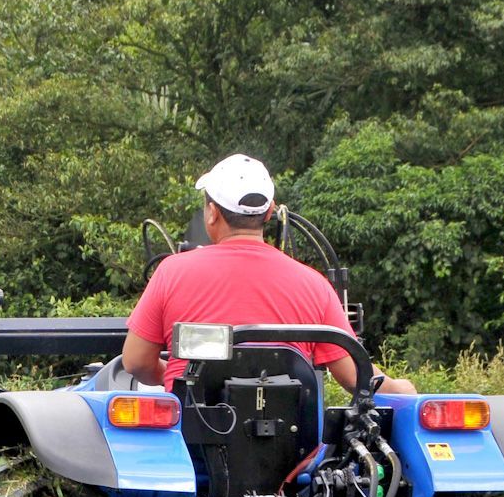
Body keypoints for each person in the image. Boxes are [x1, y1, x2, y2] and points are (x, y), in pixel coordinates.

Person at [122, 153, 417, 396]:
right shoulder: (313, 284)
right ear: (269, 213)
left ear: (212, 213)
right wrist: (401, 388)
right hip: (291, 454)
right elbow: (356, 377)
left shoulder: (172, 272)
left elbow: (136, 362)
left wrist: (173, 377)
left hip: (192, 448)